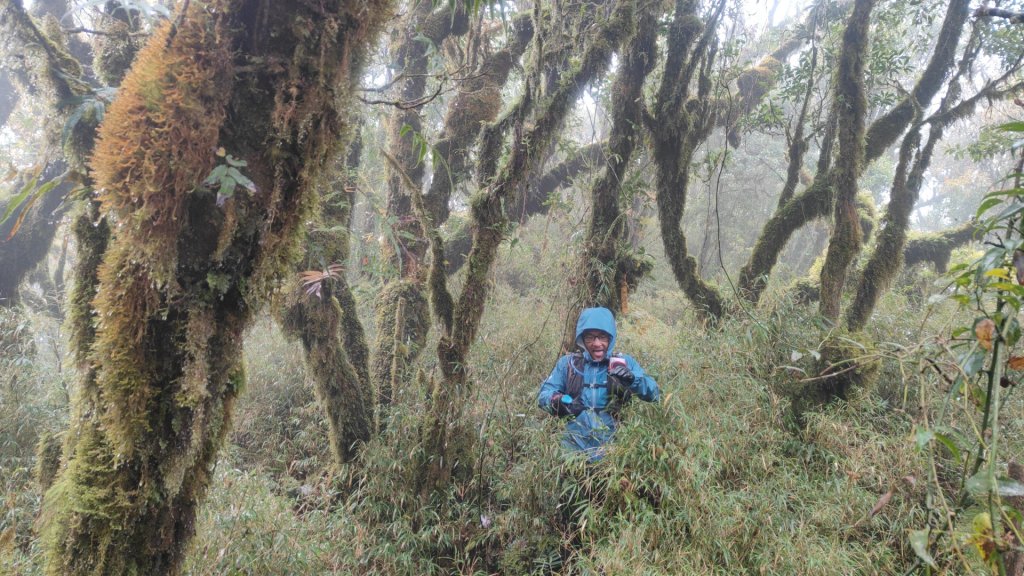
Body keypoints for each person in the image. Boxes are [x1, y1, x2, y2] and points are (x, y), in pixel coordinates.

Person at [537, 307, 659, 461]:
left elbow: (654, 394)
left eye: (602, 337)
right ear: (582, 339)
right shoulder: (567, 364)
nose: (596, 343)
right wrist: (556, 401)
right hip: (572, 454)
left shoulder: (625, 363)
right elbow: (544, 395)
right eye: (590, 337)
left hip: (614, 454)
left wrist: (633, 379)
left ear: (611, 337)